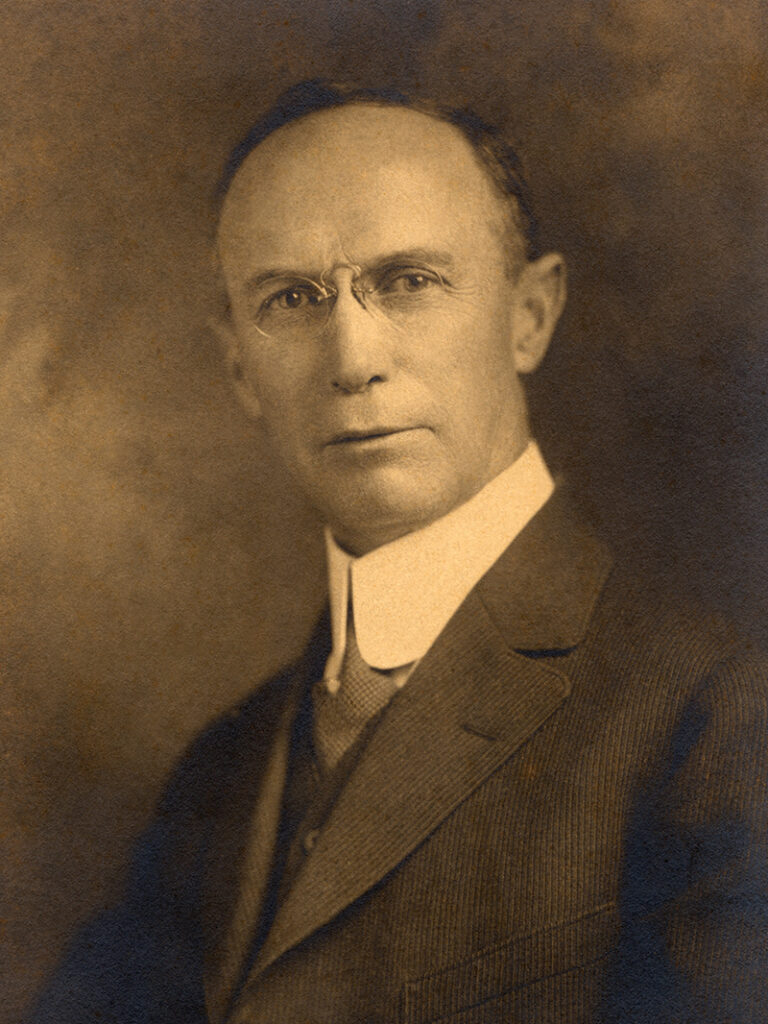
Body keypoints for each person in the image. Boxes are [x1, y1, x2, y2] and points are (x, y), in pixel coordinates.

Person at [29, 80, 768, 1024]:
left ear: (529, 315)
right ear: (237, 371)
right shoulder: (220, 769)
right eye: (292, 299)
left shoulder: (720, 716)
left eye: (409, 282)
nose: (351, 356)